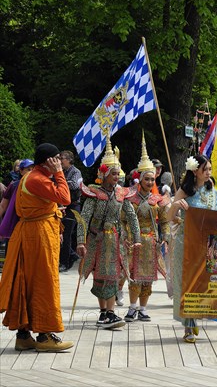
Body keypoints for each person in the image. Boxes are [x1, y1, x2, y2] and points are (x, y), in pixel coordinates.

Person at [0, 143, 73, 352]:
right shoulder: (37, 178)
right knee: (44, 283)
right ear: (48, 161)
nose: (59, 162)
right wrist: (59, 173)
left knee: (27, 283)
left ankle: (23, 336)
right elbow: (65, 197)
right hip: (38, 236)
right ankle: (44, 336)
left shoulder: (30, 177)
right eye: (56, 159)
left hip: (32, 233)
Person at [77, 140, 141, 329]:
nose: (116, 177)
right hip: (97, 240)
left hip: (115, 240)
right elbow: (84, 218)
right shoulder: (94, 193)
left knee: (113, 274)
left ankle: (110, 313)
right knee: (100, 275)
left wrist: (136, 238)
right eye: (113, 173)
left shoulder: (122, 194)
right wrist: (81, 241)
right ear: (104, 174)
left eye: (117, 173)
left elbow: (131, 216)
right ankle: (104, 313)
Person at [167, 154, 217, 343]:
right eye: (206, 169)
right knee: (186, 283)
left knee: (203, 282)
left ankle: (197, 315)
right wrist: (176, 205)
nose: (209, 173)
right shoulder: (185, 191)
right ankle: (188, 325)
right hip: (185, 243)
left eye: (210, 169)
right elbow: (170, 216)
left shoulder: (212, 190)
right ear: (195, 171)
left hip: (207, 244)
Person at [123, 137, 170, 323]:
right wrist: (126, 236)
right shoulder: (130, 198)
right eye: (147, 179)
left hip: (151, 242)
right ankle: (132, 307)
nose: (150, 182)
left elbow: (165, 221)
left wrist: (165, 236)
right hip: (134, 242)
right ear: (140, 179)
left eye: (152, 179)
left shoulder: (157, 200)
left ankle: (143, 309)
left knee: (148, 278)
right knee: (134, 277)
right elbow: (123, 220)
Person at [58, 150, 82, 272]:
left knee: (66, 234)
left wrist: (60, 183)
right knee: (60, 233)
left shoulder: (76, 172)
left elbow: (74, 185)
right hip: (63, 205)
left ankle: (64, 263)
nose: (60, 161)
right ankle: (71, 255)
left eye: (62, 158)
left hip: (73, 206)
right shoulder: (60, 172)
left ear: (69, 160)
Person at [0, 159, 35, 239]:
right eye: (28, 169)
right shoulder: (14, 186)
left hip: (32, 224)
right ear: (21, 171)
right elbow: (2, 206)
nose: (31, 172)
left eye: (33, 169)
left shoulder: (38, 186)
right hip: (15, 223)